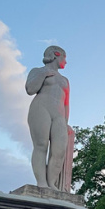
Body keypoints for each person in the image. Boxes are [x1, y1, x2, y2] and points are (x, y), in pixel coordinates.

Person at [25, 46, 74, 191]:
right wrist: (44, 74)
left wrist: (65, 122)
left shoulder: (65, 80)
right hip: (41, 108)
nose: (65, 61)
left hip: (59, 114)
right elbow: (30, 89)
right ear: (55, 55)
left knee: (59, 151)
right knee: (41, 145)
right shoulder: (37, 71)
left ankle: (52, 183)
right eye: (64, 57)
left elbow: (66, 103)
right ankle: (42, 182)